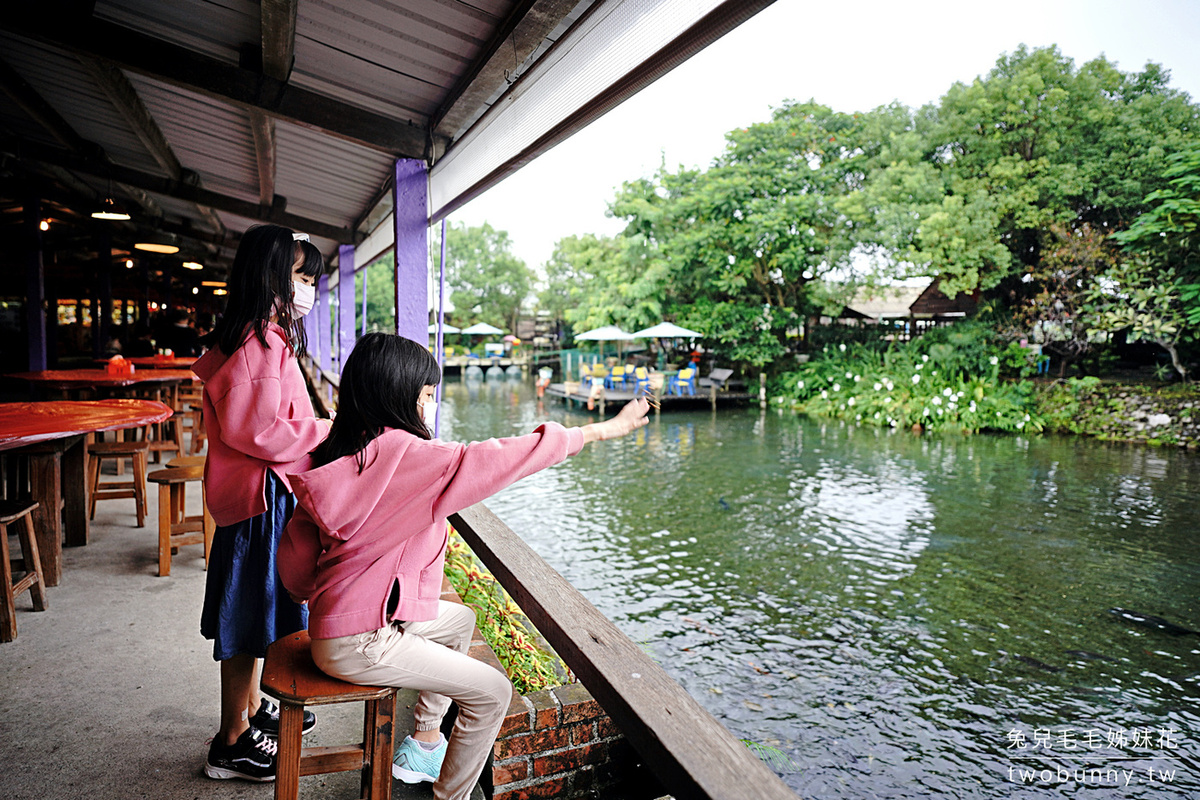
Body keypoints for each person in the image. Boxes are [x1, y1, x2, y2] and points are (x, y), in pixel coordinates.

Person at [278, 333, 650, 800]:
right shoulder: (409, 458)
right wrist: (596, 431)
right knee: (494, 692)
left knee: (460, 620)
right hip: (363, 642)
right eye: (427, 395)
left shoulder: (339, 452)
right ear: (398, 395)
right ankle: (449, 796)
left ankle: (426, 742)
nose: (431, 405)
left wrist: (319, 596)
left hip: (334, 626)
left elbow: (294, 569)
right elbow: (497, 458)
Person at [192, 225, 328, 781]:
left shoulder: (255, 335)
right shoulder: (258, 342)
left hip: (255, 495)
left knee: (255, 611)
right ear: (270, 276)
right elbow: (263, 429)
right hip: (259, 498)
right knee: (249, 615)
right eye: (300, 276)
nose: (307, 288)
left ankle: (250, 712)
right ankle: (232, 740)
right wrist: (324, 430)